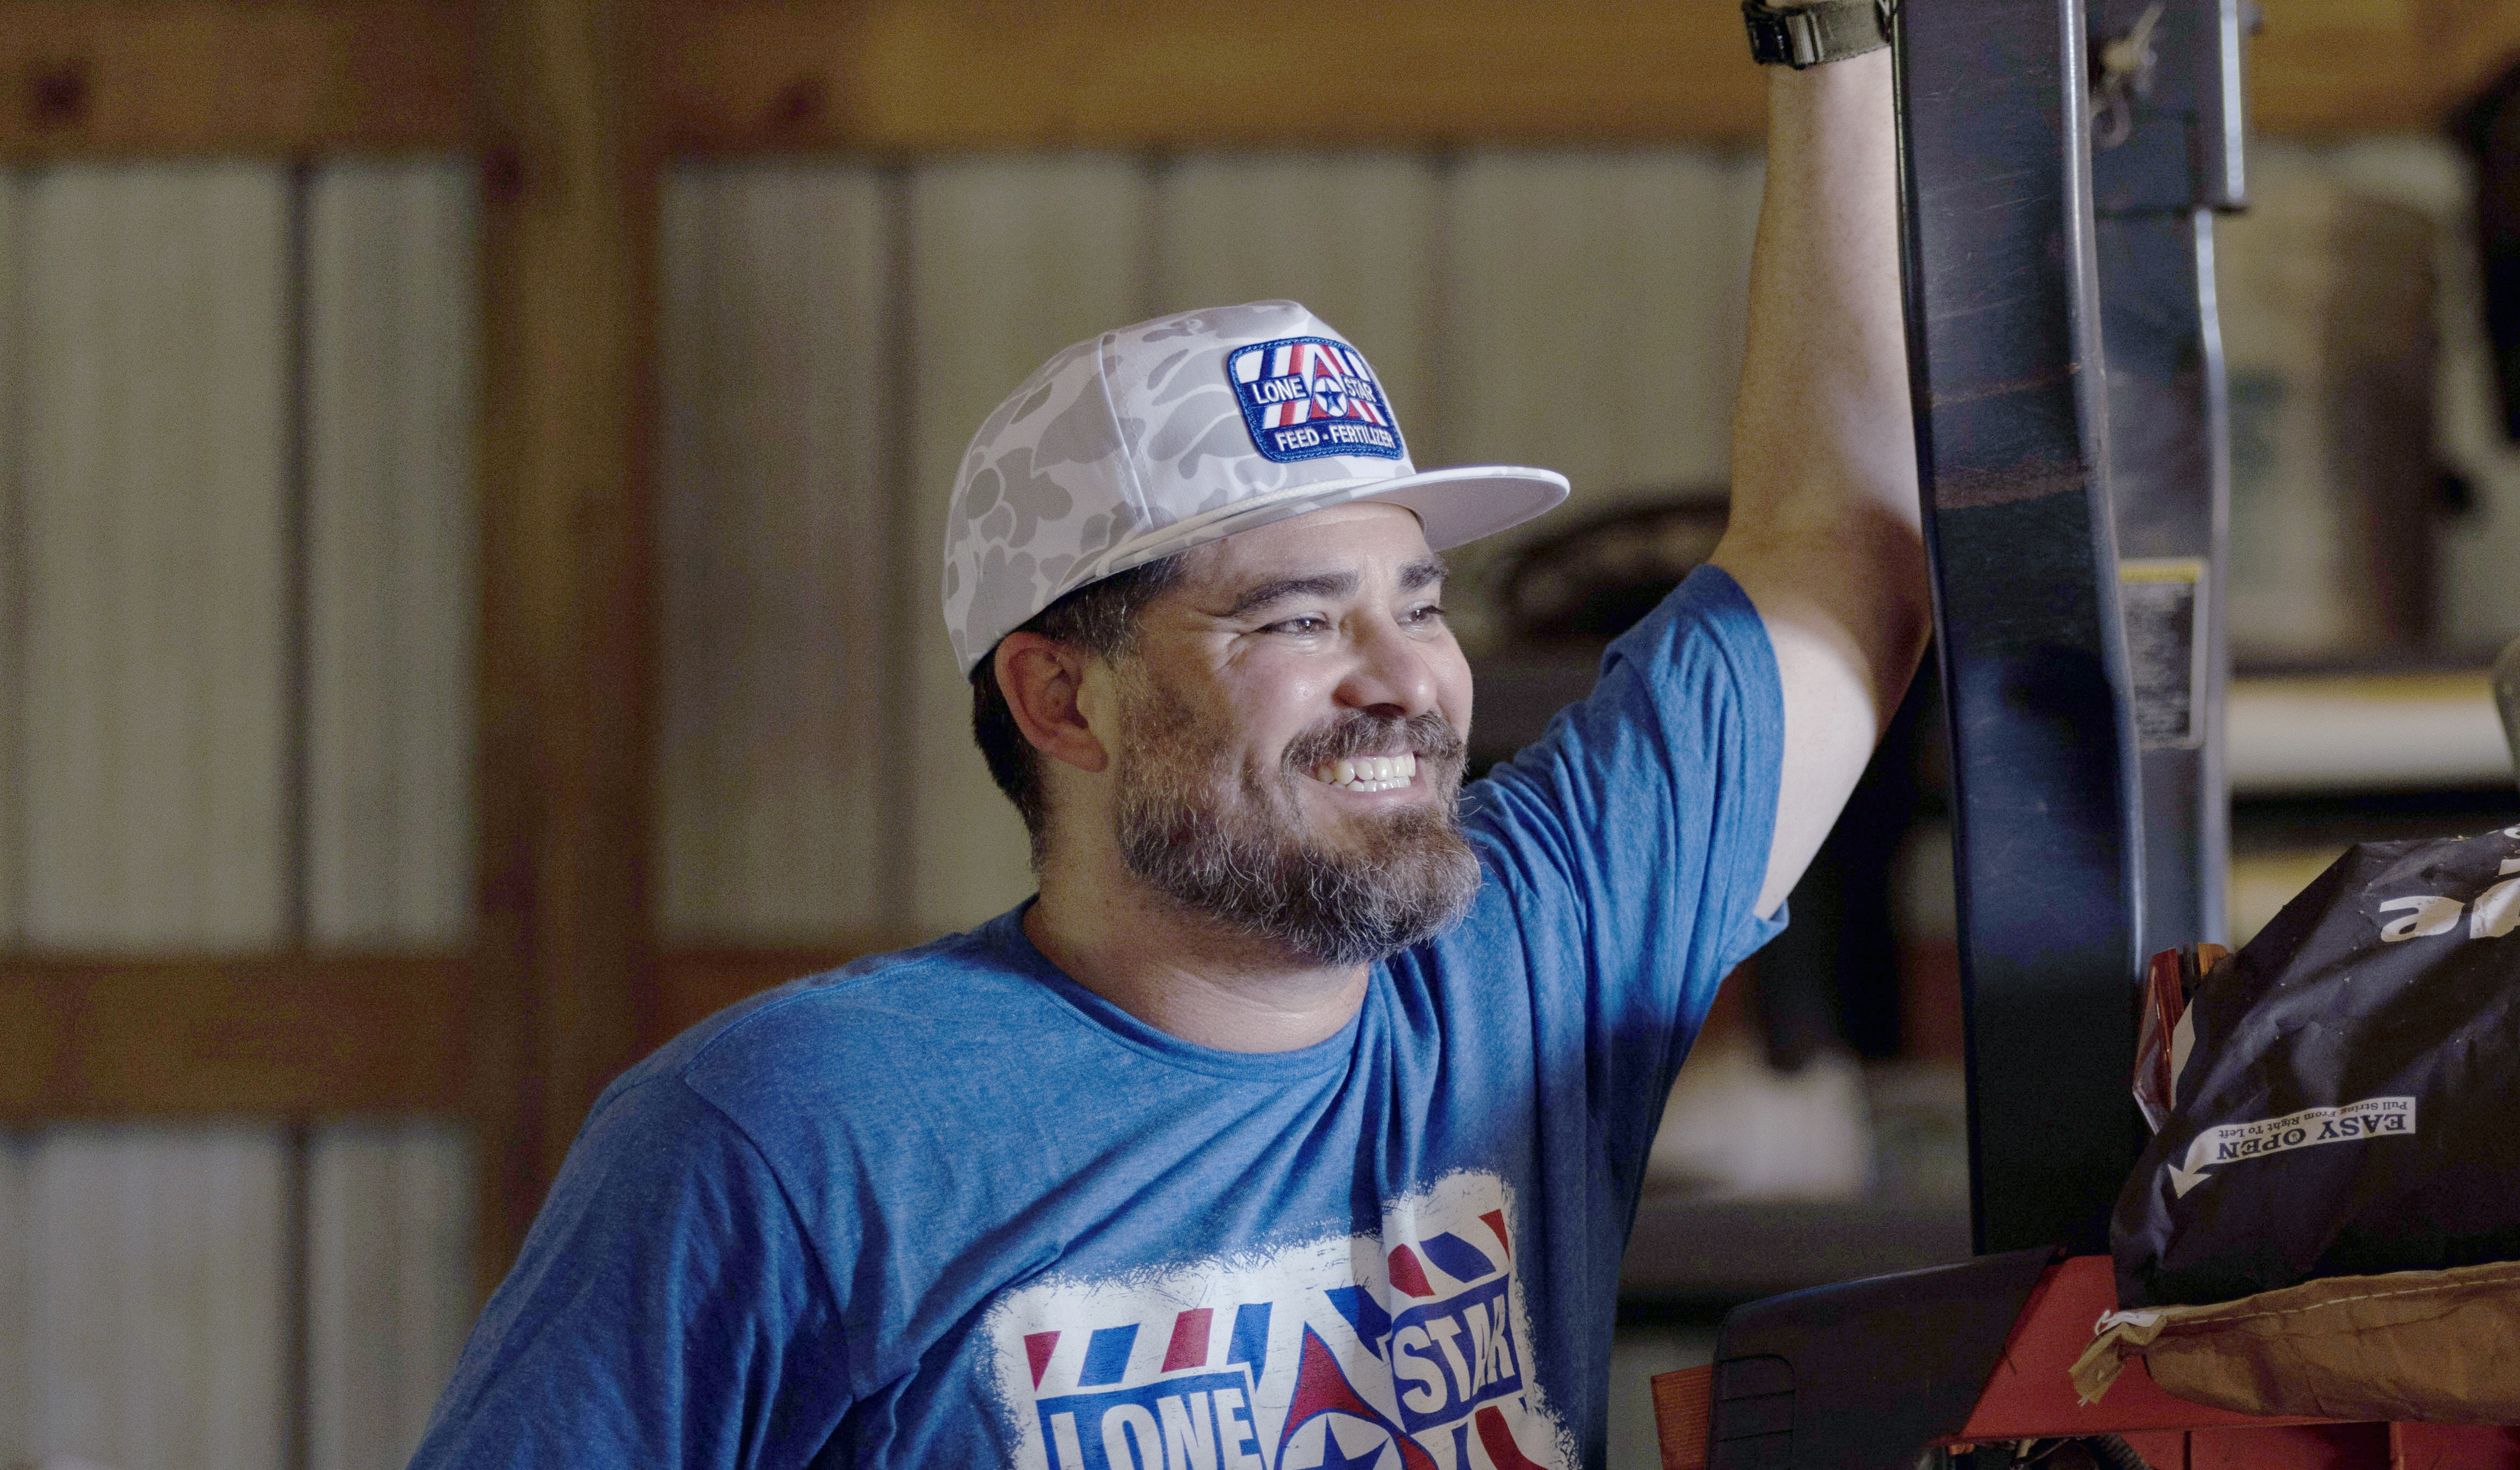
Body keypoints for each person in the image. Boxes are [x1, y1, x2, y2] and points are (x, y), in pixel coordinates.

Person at [410, 26, 1924, 1469]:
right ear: (1064, 700)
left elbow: (1838, 564)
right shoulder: (791, 1130)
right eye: (1294, 622)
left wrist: (1835, 47)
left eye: (1417, 601)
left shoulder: (1528, 956)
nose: (1407, 677)